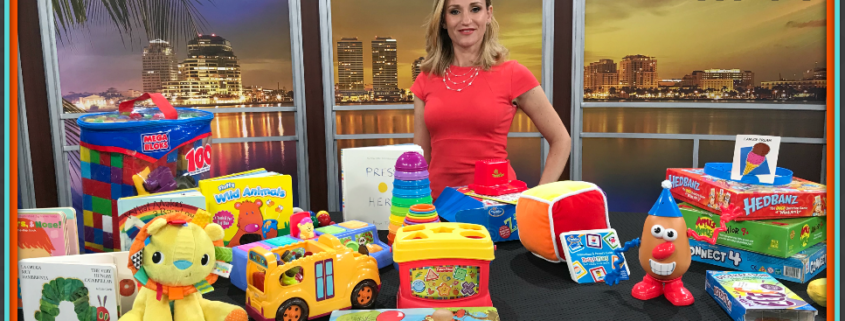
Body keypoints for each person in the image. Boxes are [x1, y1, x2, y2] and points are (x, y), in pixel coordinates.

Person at [412, 0, 571, 200]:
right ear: (443, 21)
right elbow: (421, 158)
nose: (466, 20)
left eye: (475, 9)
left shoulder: (514, 73)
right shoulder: (425, 79)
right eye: (455, 11)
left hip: (496, 209)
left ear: (488, 14)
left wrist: (538, 199)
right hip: (437, 207)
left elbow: (561, 140)